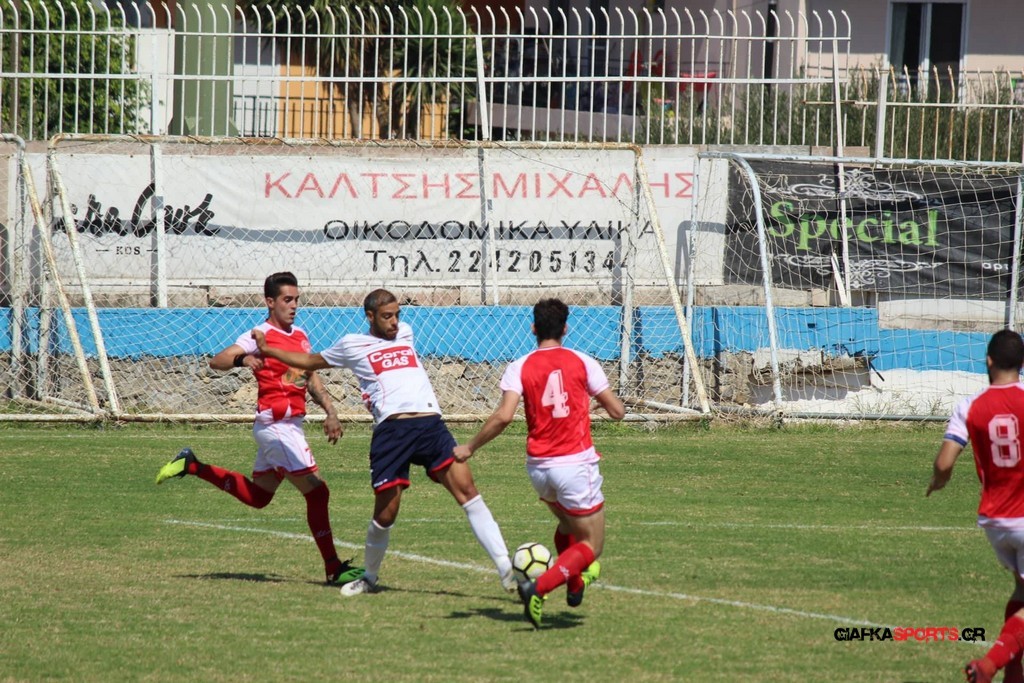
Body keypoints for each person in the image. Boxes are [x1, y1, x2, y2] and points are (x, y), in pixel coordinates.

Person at [252, 288, 516, 596]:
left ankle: (507, 571)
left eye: (397, 315)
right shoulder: (352, 344)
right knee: (386, 514)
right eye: (387, 316)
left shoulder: (405, 333)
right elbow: (308, 360)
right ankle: (369, 577)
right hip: (392, 432)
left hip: (430, 424)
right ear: (370, 316)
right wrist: (268, 350)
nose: (394, 322)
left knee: (468, 492)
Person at [155, 272, 358, 585]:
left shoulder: (300, 335)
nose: (294, 306)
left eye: (297, 299)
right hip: (276, 427)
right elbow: (217, 361)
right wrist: (243, 360)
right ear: (270, 302)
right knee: (318, 492)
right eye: (287, 300)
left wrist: (331, 411)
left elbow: (309, 376)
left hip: (289, 426)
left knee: (259, 496)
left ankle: (193, 465)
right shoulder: (258, 335)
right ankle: (333, 568)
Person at [453, 297, 626, 628]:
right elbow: (617, 412)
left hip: (539, 468)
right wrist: (600, 406)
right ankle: (539, 587)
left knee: (567, 527)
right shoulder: (583, 361)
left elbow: (504, 416)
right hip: (574, 464)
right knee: (592, 545)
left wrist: (471, 446)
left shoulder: (519, 366)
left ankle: (574, 584)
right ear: (565, 328)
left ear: (533, 328)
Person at [927, 329, 1024, 683]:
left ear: (988, 361)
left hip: (995, 520)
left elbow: (944, 463)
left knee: (1021, 591)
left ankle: (1014, 671)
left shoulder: (970, 406)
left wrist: (939, 482)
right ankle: (989, 666)